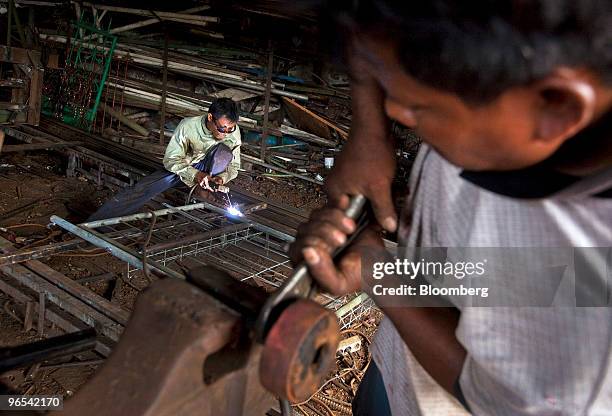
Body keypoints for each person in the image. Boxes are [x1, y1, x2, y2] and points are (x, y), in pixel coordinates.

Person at [291, 1, 612, 415]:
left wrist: (380, 275)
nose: (396, 112)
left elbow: (493, 395)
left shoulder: (592, 309)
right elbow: (493, 277)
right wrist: (369, 129)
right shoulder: (513, 80)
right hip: (397, 364)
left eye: (418, 107)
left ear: (557, 106)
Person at [88, 98, 241, 221]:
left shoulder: (232, 132)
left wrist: (222, 178)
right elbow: (171, 160)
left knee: (222, 151)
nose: (226, 133)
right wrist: (195, 175)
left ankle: (209, 196)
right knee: (142, 189)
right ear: (210, 117)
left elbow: (234, 165)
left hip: (211, 170)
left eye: (230, 129)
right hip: (184, 168)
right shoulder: (188, 127)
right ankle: (95, 224)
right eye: (222, 128)